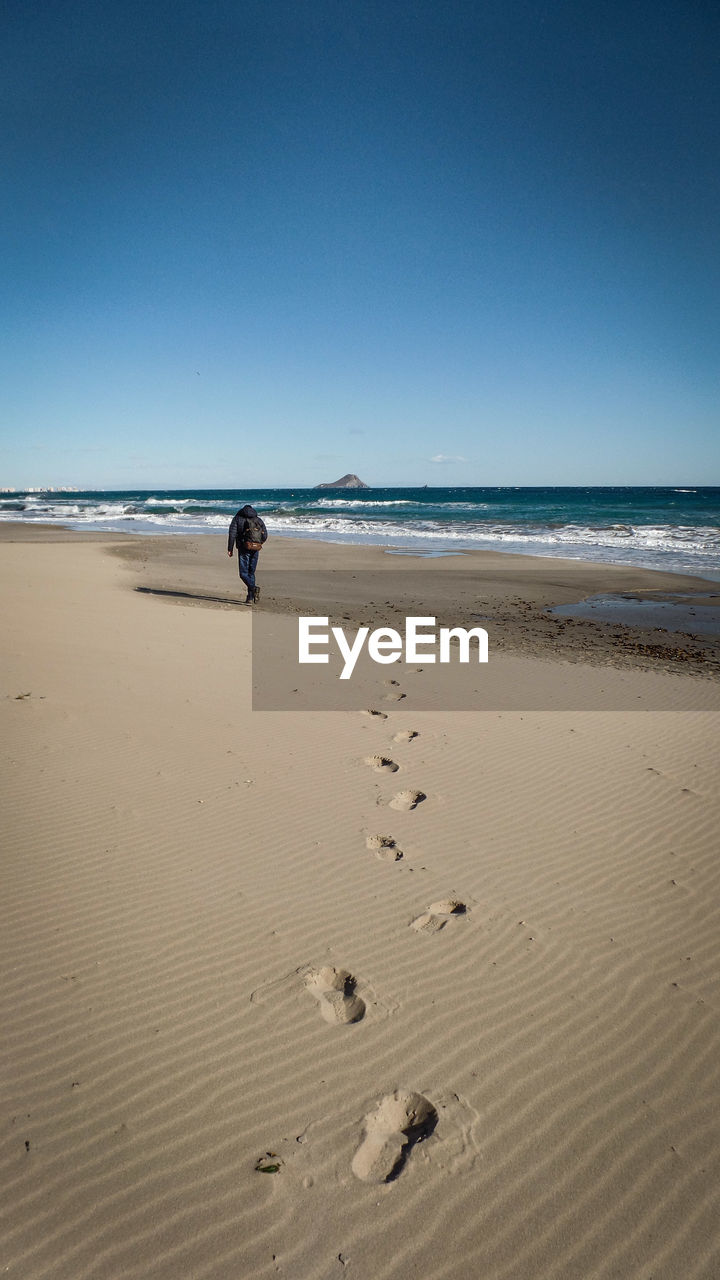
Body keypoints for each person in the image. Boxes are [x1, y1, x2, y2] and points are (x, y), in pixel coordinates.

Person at [227, 503, 268, 603]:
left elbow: (232, 534)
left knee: (243, 573)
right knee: (251, 572)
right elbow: (265, 534)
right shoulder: (258, 519)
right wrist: (259, 543)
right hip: (256, 548)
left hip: (243, 548)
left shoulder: (237, 518)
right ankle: (250, 598)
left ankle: (253, 589)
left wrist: (230, 548)